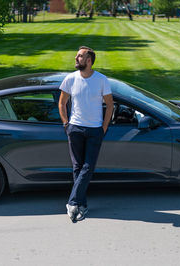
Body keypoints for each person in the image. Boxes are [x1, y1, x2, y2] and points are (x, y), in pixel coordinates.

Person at [58, 46, 114, 222]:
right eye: (77, 55)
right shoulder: (70, 79)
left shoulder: (101, 80)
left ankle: (72, 202)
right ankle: (81, 206)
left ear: (89, 61)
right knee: (77, 167)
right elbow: (62, 103)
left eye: (80, 56)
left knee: (88, 167)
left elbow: (110, 105)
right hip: (75, 128)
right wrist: (66, 124)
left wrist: (103, 128)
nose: (76, 58)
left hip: (94, 130)